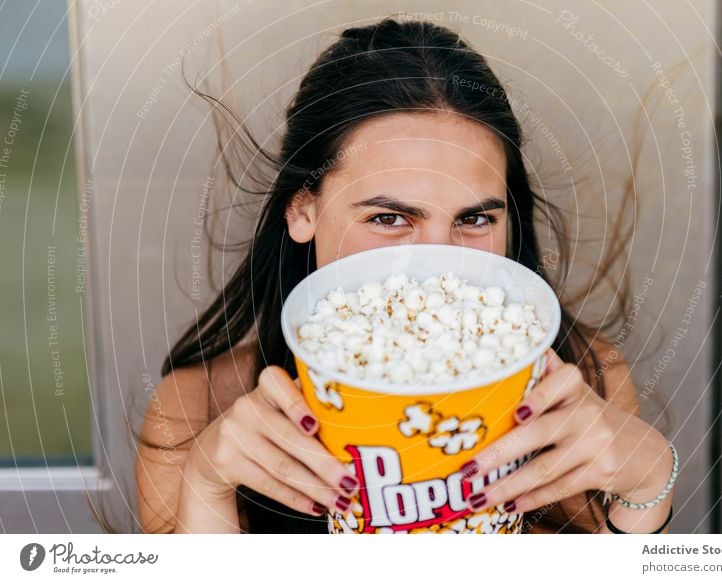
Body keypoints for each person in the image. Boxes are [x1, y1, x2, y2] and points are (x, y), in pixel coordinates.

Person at [133, 16, 675, 535]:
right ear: (303, 211)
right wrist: (206, 491)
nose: (434, 269)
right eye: (389, 218)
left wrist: (648, 488)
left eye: (475, 218)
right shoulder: (195, 410)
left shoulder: (586, 382)